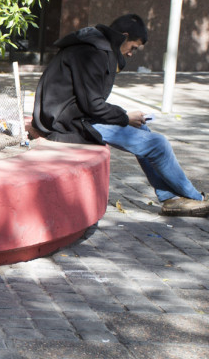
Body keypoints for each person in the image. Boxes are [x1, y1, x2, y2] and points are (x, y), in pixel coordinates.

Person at [32, 13, 209, 217]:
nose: (132, 54)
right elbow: (93, 105)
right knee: (158, 143)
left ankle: (171, 198)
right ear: (123, 36)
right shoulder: (94, 52)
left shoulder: (95, 46)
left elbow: (90, 102)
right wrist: (125, 116)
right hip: (67, 124)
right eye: (133, 47)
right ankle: (196, 199)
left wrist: (126, 117)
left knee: (142, 129)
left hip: (71, 116)